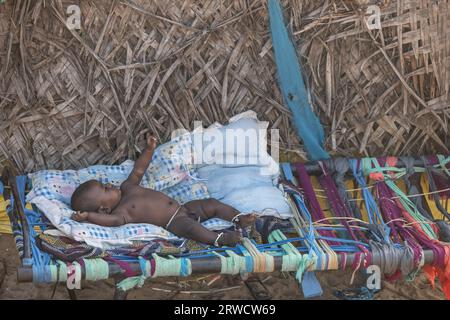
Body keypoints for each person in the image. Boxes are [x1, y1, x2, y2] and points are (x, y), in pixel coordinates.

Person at [70, 135, 256, 246]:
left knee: (211, 204)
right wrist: (87, 217)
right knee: (194, 229)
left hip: (184, 208)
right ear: (104, 209)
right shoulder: (122, 213)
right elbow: (108, 222)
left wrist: (149, 150)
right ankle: (220, 239)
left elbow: (139, 169)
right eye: (105, 188)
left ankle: (238, 218)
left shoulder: (128, 187)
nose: (110, 184)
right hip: (174, 222)